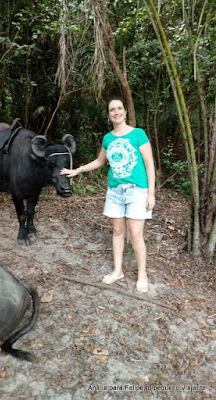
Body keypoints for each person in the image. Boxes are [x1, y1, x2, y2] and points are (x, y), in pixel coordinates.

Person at [60, 98, 155, 293]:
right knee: (118, 232)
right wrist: (78, 170)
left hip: (137, 190)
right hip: (115, 191)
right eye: (112, 110)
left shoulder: (138, 134)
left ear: (125, 112)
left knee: (135, 234)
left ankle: (143, 274)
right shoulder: (108, 138)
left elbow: (149, 164)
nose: (116, 112)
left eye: (119, 108)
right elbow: (100, 161)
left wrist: (151, 193)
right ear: (109, 114)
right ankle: (118, 270)